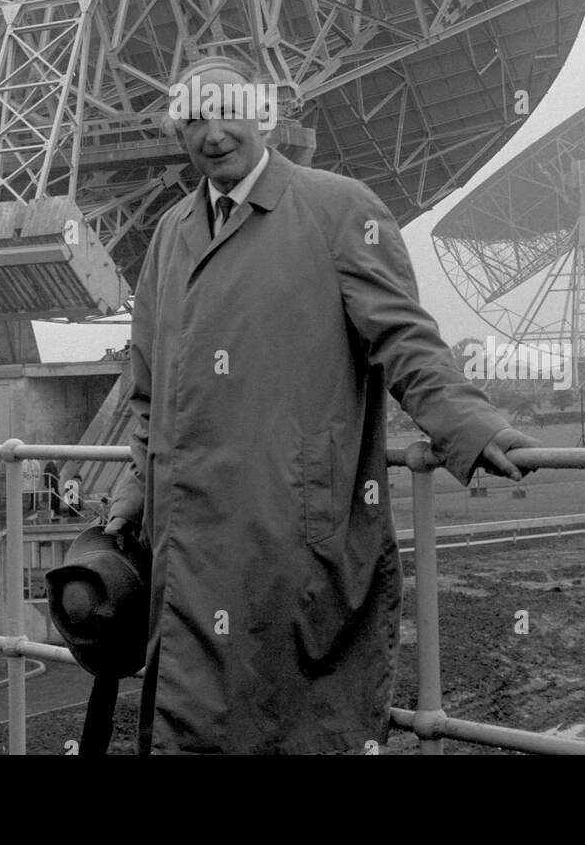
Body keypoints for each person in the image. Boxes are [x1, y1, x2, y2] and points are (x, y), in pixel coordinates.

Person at [106, 54, 540, 755]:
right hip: (183, 532)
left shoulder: (339, 209)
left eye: (225, 112)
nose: (211, 132)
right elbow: (151, 388)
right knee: (191, 721)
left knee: (292, 721)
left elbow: (402, 338)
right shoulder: (168, 235)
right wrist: (136, 486)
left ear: (262, 113)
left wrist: (464, 422)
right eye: (192, 118)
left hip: (287, 530)